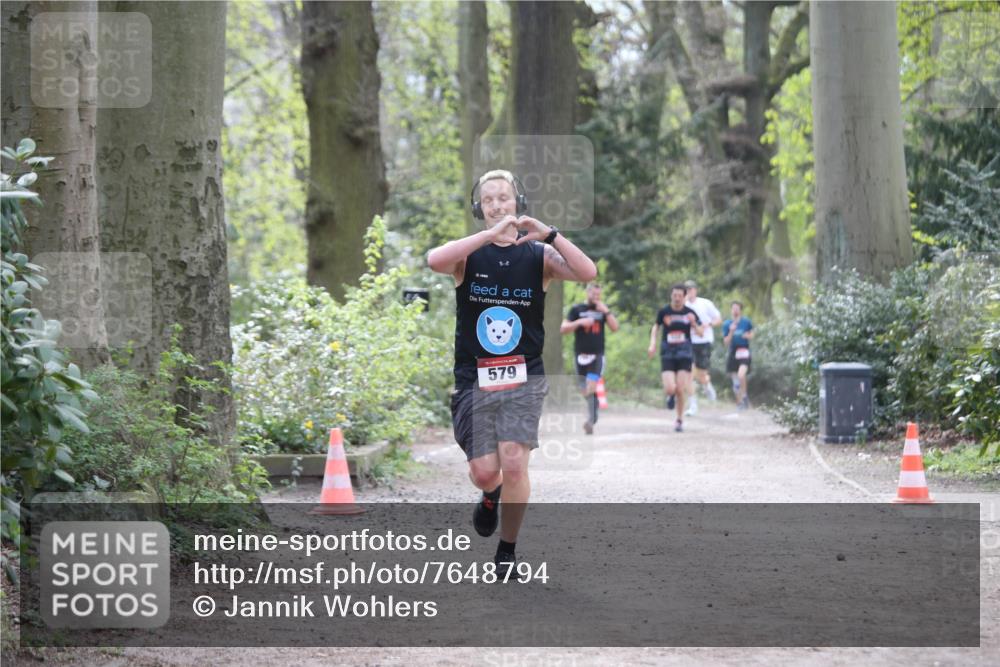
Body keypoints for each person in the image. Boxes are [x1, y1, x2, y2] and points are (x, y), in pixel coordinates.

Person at [426, 169, 597, 574]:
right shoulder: (468, 255)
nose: (498, 205)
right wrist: (488, 236)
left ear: (518, 201)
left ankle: (507, 553)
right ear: (479, 208)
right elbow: (434, 259)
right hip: (474, 378)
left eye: (504, 197)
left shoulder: (540, 257)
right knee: (485, 471)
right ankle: (491, 495)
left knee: (515, 461)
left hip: (524, 376)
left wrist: (550, 234)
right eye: (489, 200)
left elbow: (587, 272)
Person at [561, 282, 619, 434]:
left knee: (591, 387)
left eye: (598, 295)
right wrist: (580, 322)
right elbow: (563, 328)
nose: (596, 297)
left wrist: (606, 311)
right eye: (593, 294)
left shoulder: (602, 311)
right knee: (585, 391)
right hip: (579, 356)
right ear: (587, 293)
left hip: (597, 356)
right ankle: (595, 407)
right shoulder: (577, 310)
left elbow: (615, 328)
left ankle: (591, 421)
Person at [647, 284, 704, 432]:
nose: (677, 298)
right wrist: (652, 343)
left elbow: (700, 333)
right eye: (674, 295)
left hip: (684, 352)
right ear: (671, 296)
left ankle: (679, 420)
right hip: (668, 352)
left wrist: (693, 323)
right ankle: (669, 396)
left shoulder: (690, 312)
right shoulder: (664, 311)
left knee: (680, 389)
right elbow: (656, 327)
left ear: (684, 297)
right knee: (670, 388)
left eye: (680, 296)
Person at [683, 279, 722, 416]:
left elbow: (718, 318)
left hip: (704, 341)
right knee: (689, 372)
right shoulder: (683, 305)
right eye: (686, 289)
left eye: (691, 289)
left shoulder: (705, 303)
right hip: (688, 342)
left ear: (695, 290)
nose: (689, 292)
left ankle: (707, 385)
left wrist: (708, 325)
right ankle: (693, 404)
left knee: (702, 374)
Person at [722, 301, 754, 410]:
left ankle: (744, 396)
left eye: (737, 308)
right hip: (732, 352)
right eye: (733, 308)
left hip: (744, 350)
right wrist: (731, 331)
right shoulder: (727, 324)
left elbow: (752, 334)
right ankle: (740, 403)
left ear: (740, 310)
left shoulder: (746, 322)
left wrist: (747, 335)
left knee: (741, 375)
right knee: (735, 381)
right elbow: (726, 342)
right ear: (731, 310)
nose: (735, 310)